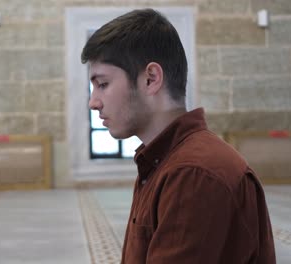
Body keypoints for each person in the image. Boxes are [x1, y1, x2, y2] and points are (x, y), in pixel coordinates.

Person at [81, 8, 276, 264]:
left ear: (151, 79)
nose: (93, 102)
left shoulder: (194, 173)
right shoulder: (164, 161)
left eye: (103, 84)